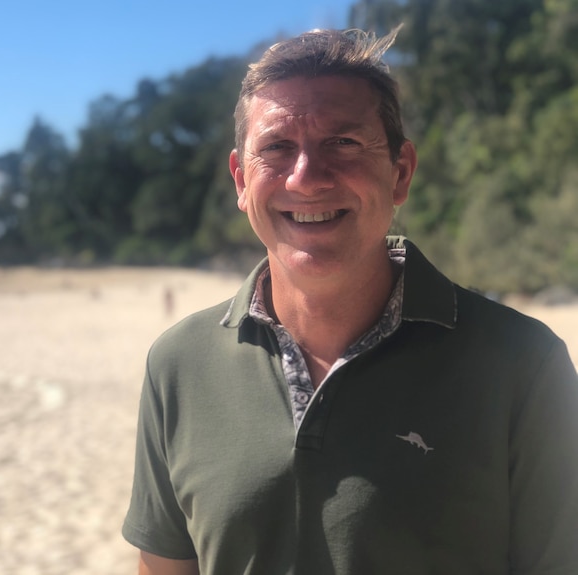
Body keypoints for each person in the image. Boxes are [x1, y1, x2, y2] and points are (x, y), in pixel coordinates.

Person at [122, 27, 578, 575]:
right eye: (276, 148)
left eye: (343, 142)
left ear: (400, 172)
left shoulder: (522, 364)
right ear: (242, 180)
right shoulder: (179, 363)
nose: (307, 177)